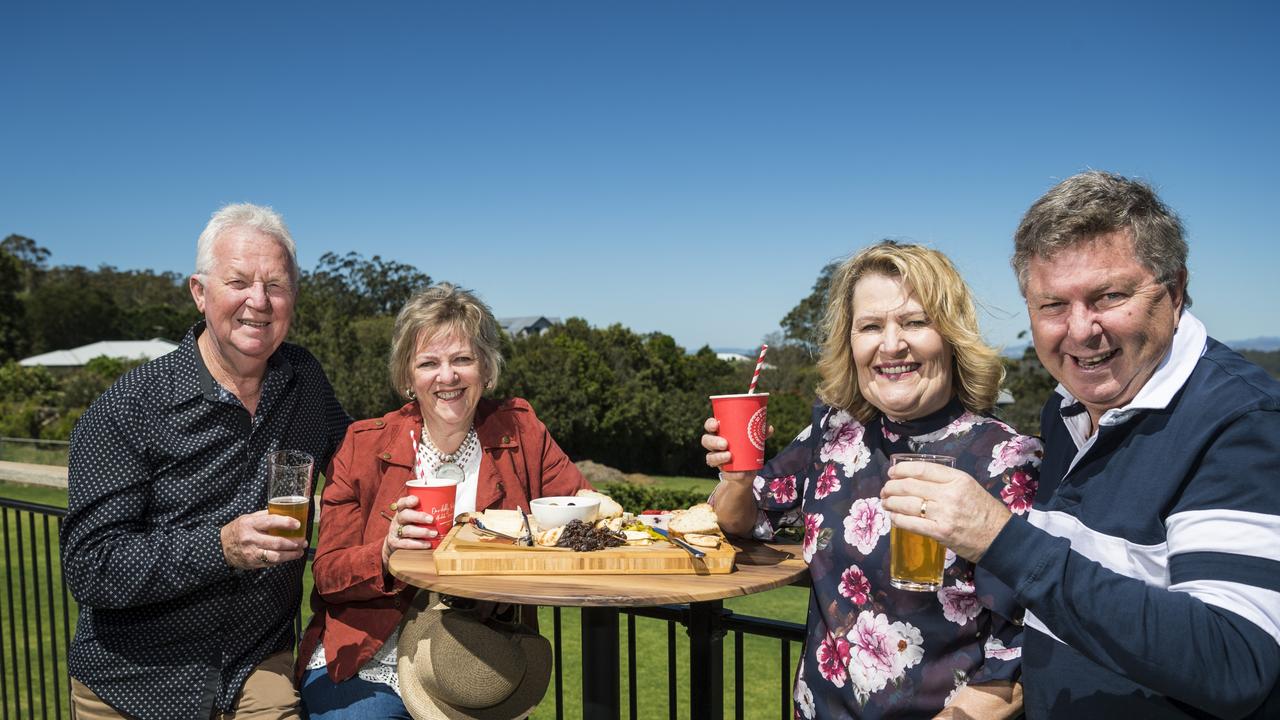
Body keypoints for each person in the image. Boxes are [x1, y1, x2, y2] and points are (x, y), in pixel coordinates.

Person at [881, 171, 1280, 719]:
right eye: (1051, 306)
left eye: (1109, 296)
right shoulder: (1066, 408)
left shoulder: (1242, 420)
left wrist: (1000, 538)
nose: (1081, 330)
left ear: (1176, 289)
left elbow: (1234, 661)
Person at [704, 241, 1040, 719]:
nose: (891, 344)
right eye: (870, 326)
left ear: (950, 335)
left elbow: (1022, 652)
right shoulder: (835, 433)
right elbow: (745, 520)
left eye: (914, 321)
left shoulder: (1005, 458)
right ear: (850, 343)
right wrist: (737, 479)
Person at [61, 203, 351, 719]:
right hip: (135, 681)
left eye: (276, 286)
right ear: (200, 292)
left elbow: (364, 462)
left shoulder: (304, 380)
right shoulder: (128, 408)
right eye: (238, 282)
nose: (257, 302)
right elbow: (91, 567)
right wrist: (221, 548)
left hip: (255, 664)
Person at [297, 282, 591, 719]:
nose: (447, 377)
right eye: (429, 363)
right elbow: (327, 574)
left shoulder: (522, 433)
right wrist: (384, 552)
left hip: (474, 661)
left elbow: (582, 508)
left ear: (486, 369)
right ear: (408, 377)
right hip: (370, 656)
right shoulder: (362, 444)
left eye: (463, 360)